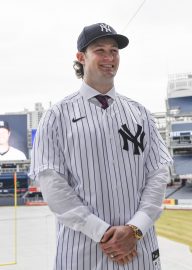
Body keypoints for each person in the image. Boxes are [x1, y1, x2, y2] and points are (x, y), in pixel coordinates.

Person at [30, 22, 172, 270]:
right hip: (83, 251)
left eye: (114, 50)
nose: (109, 57)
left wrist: (135, 229)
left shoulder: (140, 113)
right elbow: (53, 185)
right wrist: (104, 233)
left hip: (139, 248)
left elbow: (158, 174)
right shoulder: (56, 116)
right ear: (80, 57)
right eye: (100, 50)